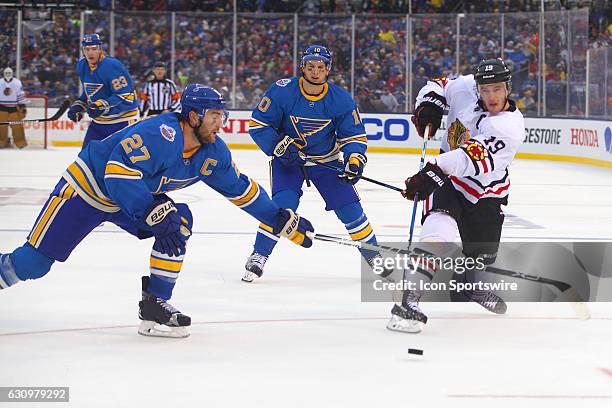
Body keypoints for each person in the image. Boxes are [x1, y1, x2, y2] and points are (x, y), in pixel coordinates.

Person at [0, 84, 315, 338]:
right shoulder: (161, 134)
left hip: (125, 195)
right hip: (86, 189)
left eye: (223, 115)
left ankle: (155, 304)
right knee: (32, 264)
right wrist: (150, 209)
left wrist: (278, 218)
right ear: (193, 116)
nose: (223, 122)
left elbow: (241, 190)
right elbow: (117, 171)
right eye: (215, 116)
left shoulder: (213, 151)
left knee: (177, 222)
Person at [387, 58, 525, 333]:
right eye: (485, 90)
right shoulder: (464, 88)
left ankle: (470, 289)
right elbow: (436, 85)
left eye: (497, 89)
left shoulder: (509, 127)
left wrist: (431, 173)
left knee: (482, 255)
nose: (491, 96)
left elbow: (469, 158)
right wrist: (429, 105)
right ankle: (409, 300)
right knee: (438, 233)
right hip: (449, 183)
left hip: (485, 190)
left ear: (508, 88)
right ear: (477, 87)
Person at [242, 44, 388, 283]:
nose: (315, 71)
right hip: (288, 161)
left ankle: (373, 255)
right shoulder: (282, 91)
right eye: (310, 66)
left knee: (350, 209)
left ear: (328, 69)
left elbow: (353, 136)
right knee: (281, 207)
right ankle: (259, 254)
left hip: (326, 162)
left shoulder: (340, 99)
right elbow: (259, 125)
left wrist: (354, 159)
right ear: (302, 67)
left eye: (320, 67)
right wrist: (280, 146)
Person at [67, 34, 139, 148]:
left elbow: (126, 96)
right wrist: (80, 105)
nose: (90, 52)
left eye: (94, 49)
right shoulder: (82, 66)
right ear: (82, 50)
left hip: (122, 123)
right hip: (98, 124)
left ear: (100, 49)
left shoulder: (112, 66)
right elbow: (91, 92)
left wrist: (102, 105)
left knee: (119, 163)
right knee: (86, 160)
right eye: (87, 49)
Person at [0, 67, 27, 149]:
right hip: (1, 107)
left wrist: (22, 106)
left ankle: (20, 143)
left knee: (17, 127)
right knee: (1, 127)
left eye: (9, 73)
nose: (8, 74)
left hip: (14, 108)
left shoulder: (17, 82)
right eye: (6, 73)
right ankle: (1, 142)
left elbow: (20, 94)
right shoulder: (0, 82)